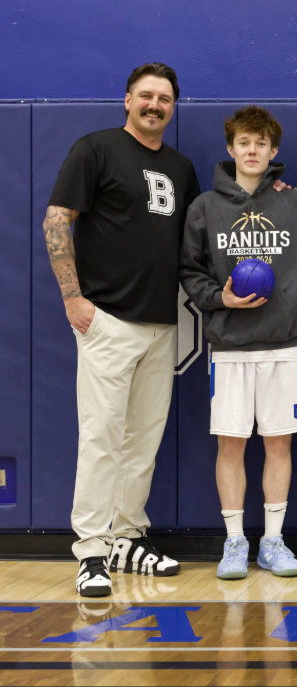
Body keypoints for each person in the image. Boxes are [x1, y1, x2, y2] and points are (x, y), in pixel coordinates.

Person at [44, 62, 199, 597]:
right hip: (107, 320)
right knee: (102, 437)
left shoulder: (180, 167)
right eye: (146, 96)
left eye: (165, 99)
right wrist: (72, 297)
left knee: (143, 441)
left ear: (173, 107)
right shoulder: (97, 149)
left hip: (162, 324)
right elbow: (57, 218)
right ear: (127, 99)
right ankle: (90, 550)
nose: (155, 105)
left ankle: (127, 537)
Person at [180, 106, 297, 580]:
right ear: (230, 150)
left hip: (283, 346)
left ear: (274, 151)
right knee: (230, 446)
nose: (252, 151)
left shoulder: (294, 203)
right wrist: (220, 297)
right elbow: (190, 272)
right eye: (244, 143)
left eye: (261, 144)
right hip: (229, 348)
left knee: (279, 447)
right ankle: (234, 543)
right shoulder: (205, 207)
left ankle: (272, 540)